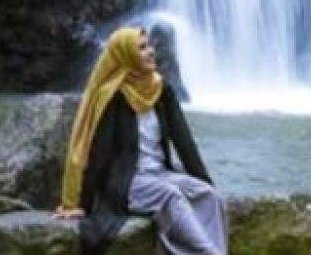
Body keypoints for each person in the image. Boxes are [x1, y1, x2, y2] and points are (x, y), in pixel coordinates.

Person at [54, 27, 227, 255]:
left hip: (160, 173)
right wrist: (82, 204)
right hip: (128, 181)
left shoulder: (161, 89)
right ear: (126, 54)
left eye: (150, 45)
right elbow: (99, 153)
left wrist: (204, 180)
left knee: (209, 195)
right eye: (142, 48)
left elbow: (184, 142)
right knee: (169, 195)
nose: (151, 52)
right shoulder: (113, 95)